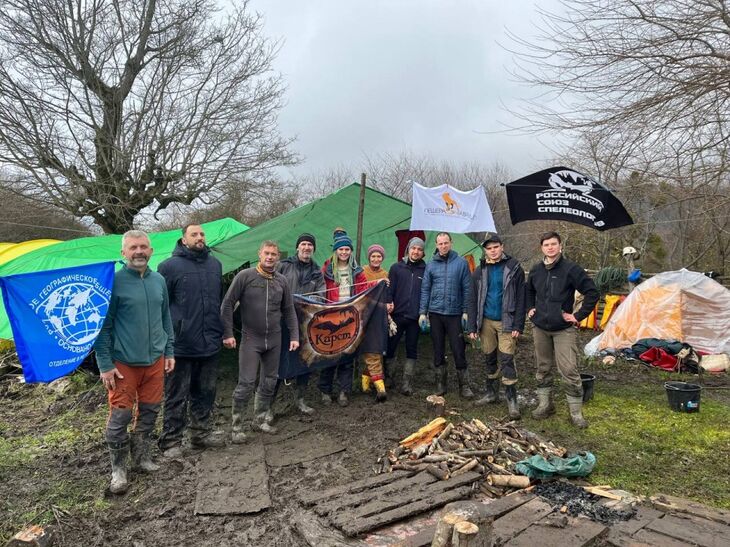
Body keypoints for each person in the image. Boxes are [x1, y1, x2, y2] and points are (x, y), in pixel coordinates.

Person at [94, 230, 175, 494]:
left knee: (150, 410)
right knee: (121, 415)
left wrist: (169, 351)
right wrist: (105, 364)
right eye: (133, 247)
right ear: (123, 253)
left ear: (151, 251)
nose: (138, 251)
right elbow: (102, 326)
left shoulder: (158, 280)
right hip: (123, 363)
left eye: (143, 247)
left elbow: (165, 318)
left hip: (155, 359)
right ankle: (118, 470)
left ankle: (141, 458)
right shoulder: (114, 283)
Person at [157, 224, 225, 458]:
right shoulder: (169, 267)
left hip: (209, 341)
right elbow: (161, 305)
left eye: (202, 234)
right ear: (183, 240)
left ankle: (200, 433)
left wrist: (219, 330)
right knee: (177, 394)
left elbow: (217, 300)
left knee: (206, 392)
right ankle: (171, 440)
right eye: (194, 234)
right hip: (181, 344)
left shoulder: (215, 265)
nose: (199, 237)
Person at [221, 241, 299, 442]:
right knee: (246, 383)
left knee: (269, 381)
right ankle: (237, 427)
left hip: (274, 338)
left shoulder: (281, 281)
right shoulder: (245, 276)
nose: (270, 257)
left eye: (274, 254)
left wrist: (294, 336)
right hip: (251, 338)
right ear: (259, 254)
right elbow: (227, 304)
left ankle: (260, 420)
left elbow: (289, 310)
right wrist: (228, 333)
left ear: (278, 257)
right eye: (267, 253)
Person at [526, 231, 599, 428]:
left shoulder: (571, 269)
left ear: (560, 246)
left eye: (553, 244)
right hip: (540, 327)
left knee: (568, 369)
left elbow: (592, 292)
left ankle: (575, 413)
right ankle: (545, 405)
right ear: (541, 248)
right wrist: (530, 307)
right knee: (542, 367)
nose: (550, 247)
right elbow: (528, 290)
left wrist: (577, 316)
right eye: (546, 245)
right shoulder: (536, 270)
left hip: (563, 329)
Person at [467, 234, 526, 419]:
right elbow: (472, 299)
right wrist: (472, 326)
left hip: (506, 321)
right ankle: (491, 394)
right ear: (485, 251)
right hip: (486, 321)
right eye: (489, 248)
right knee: (489, 356)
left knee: (507, 358)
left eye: (495, 247)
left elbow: (521, 298)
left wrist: (518, 324)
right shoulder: (480, 270)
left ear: (502, 247)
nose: (492, 251)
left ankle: (512, 401)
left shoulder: (513, 268)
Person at [275, 233, 326, 415]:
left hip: (305, 323)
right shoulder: (283, 266)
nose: (306, 247)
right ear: (297, 247)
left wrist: (310, 301)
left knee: (305, 360)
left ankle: (301, 400)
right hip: (282, 322)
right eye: (303, 244)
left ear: (313, 249)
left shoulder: (317, 272)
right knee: (279, 360)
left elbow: (322, 294)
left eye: (310, 245)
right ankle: (269, 405)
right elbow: (272, 287)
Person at [419, 232, 473, 397]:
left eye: (446, 243)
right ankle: (440, 385)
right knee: (438, 349)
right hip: (435, 313)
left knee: (458, 349)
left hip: (454, 313)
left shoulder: (461, 263)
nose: (443, 246)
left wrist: (465, 311)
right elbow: (425, 289)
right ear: (436, 245)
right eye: (440, 243)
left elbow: (467, 289)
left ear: (451, 243)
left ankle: (464, 386)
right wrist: (422, 313)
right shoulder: (431, 265)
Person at [319, 228, 368, 406]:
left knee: (347, 357)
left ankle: (343, 392)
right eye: (341, 249)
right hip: (331, 315)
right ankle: (325, 390)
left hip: (350, 317)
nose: (344, 252)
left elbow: (364, 291)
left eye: (347, 249)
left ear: (351, 251)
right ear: (336, 250)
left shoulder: (357, 270)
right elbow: (320, 289)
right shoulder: (326, 268)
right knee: (329, 355)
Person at [386, 237, 426, 395]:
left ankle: (406, 383)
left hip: (415, 318)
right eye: (413, 248)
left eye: (419, 249)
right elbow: (389, 290)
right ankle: (389, 378)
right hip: (397, 316)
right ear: (408, 249)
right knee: (390, 347)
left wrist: (424, 312)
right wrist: (389, 302)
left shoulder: (425, 269)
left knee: (412, 348)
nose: (416, 252)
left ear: (423, 252)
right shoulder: (396, 268)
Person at [360, 243, 390, 402]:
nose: (376, 259)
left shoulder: (386, 273)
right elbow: (361, 290)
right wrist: (377, 283)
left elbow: (387, 294)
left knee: (375, 348)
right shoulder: (362, 272)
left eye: (379, 256)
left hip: (379, 315)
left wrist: (389, 304)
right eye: (373, 256)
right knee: (371, 349)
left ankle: (365, 382)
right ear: (369, 257)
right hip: (364, 314)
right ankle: (380, 386)